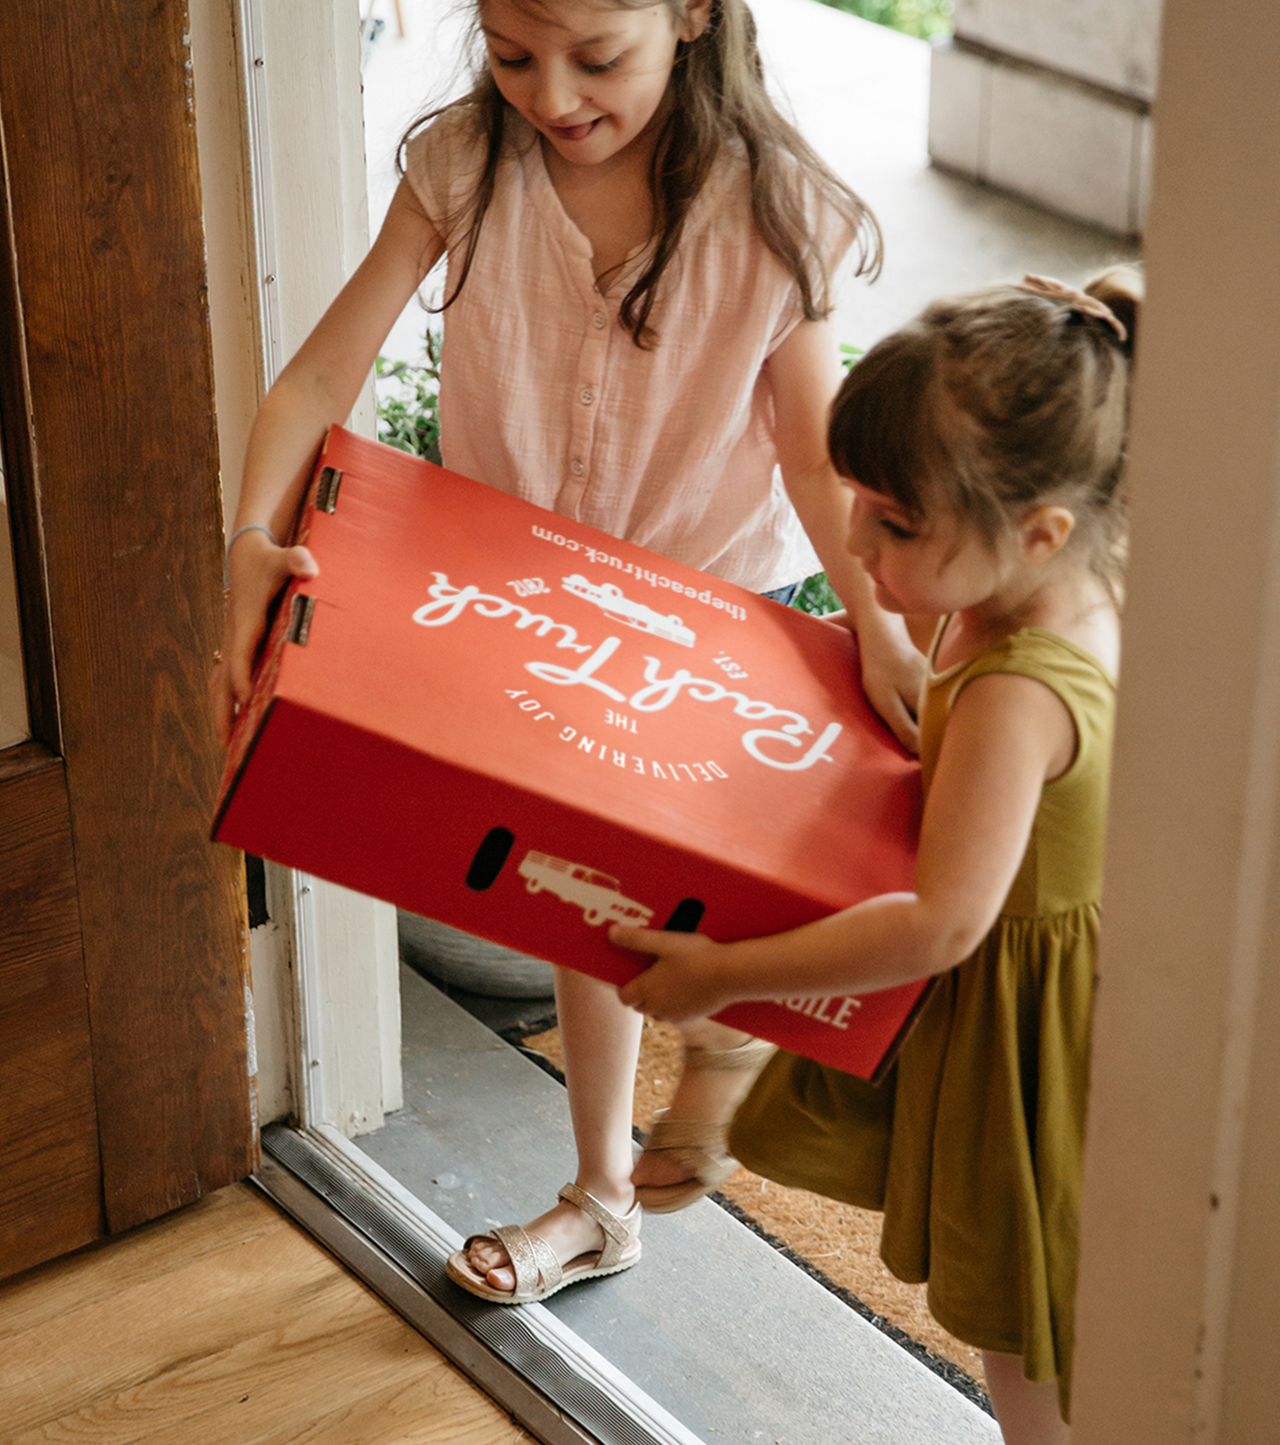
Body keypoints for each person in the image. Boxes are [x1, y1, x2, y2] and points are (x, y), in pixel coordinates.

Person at [210, 0, 924, 1307]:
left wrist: (878, 624)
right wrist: (250, 536)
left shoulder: (770, 209)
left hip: (690, 614)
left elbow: (816, 452)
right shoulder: (465, 167)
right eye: (510, 52)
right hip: (516, 597)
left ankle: (715, 1060)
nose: (553, 94)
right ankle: (605, 1194)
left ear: (694, 14)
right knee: (575, 895)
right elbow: (316, 380)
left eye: (597, 57)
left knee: (686, 877)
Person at [613, 267, 1141, 1444]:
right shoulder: (1049, 581)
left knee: (1030, 1336)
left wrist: (722, 975)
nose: (854, 538)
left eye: (894, 522)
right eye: (859, 501)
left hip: (1024, 1023)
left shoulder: (1017, 687)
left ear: (1037, 529)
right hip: (1040, 977)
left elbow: (941, 921)